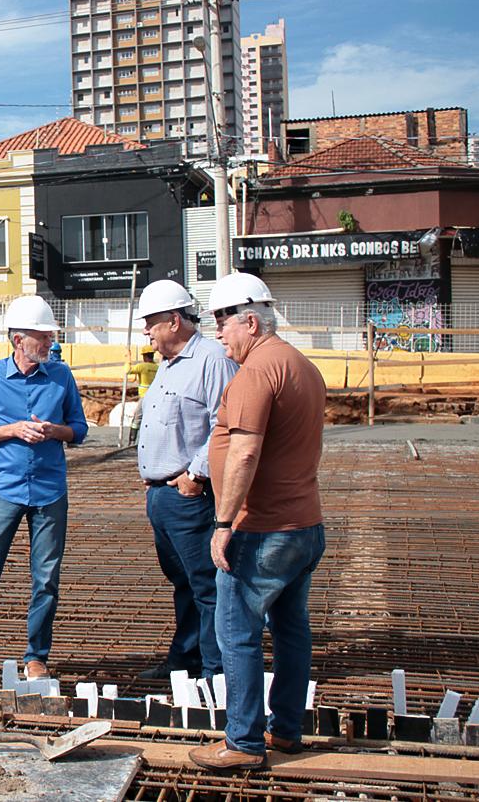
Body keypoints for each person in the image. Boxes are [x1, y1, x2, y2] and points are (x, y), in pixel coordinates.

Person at [189, 273, 327, 772]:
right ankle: (286, 729)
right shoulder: (302, 366)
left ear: (249, 321)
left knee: (236, 632)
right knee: (291, 630)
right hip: (303, 525)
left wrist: (224, 522)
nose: (218, 333)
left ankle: (244, 741)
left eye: (222, 322)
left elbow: (244, 452)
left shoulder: (256, 372)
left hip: (262, 528)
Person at [0, 295, 88, 681]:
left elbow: (79, 429)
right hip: (5, 489)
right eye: (42, 337)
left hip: (50, 490)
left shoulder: (61, 377)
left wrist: (55, 431)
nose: (49, 343)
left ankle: (36, 656)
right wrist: (12, 430)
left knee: (46, 578)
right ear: (18, 340)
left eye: (49, 336)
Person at [130, 280, 237, 682]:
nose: (146, 331)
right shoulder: (169, 364)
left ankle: (215, 674)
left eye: (151, 322)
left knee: (207, 586)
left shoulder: (212, 360)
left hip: (191, 496)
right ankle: (186, 660)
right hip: (163, 496)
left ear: (174, 321)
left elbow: (225, 424)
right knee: (184, 584)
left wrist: (195, 474)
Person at [126, 344, 160, 447]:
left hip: (145, 397)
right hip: (155, 396)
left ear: (145, 356)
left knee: (137, 418)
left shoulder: (142, 366)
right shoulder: (157, 367)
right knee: (151, 419)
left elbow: (128, 371)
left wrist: (128, 359)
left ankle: (132, 442)